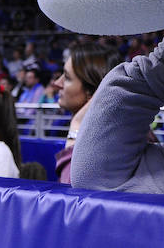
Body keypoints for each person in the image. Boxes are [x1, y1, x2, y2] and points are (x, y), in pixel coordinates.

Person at [51, 43, 120, 184]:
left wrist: (76, 125)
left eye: (67, 77)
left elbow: (71, 192)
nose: (57, 83)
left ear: (92, 93)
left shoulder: (109, 148)